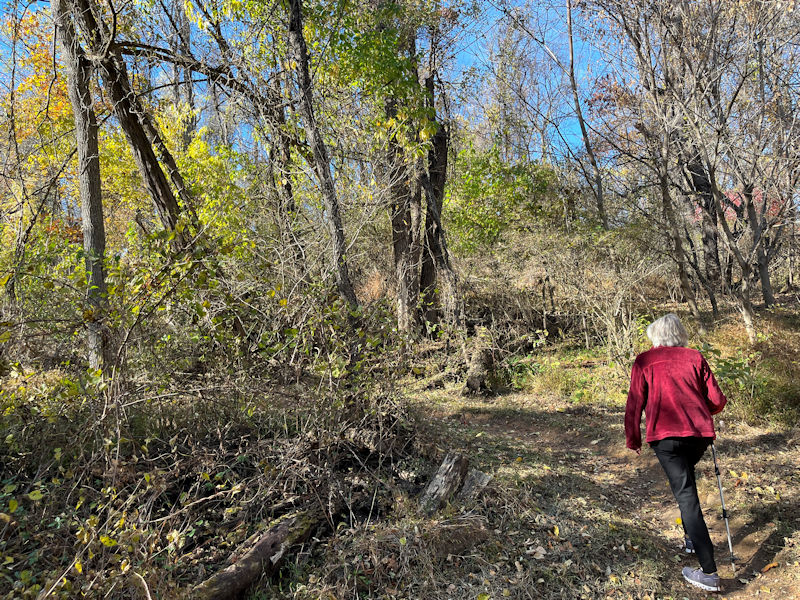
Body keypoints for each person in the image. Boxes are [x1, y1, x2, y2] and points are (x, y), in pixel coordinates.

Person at [625, 313, 727, 593]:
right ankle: (692, 539)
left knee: (686, 494)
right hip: (698, 434)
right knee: (686, 483)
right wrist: (705, 411)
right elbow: (717, 400)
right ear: (680, 334)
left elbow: (635, 403)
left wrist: (633, 438)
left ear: (656, 337)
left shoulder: (644, 361)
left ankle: (709, 572)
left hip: (666, 438)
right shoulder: (694, 357)